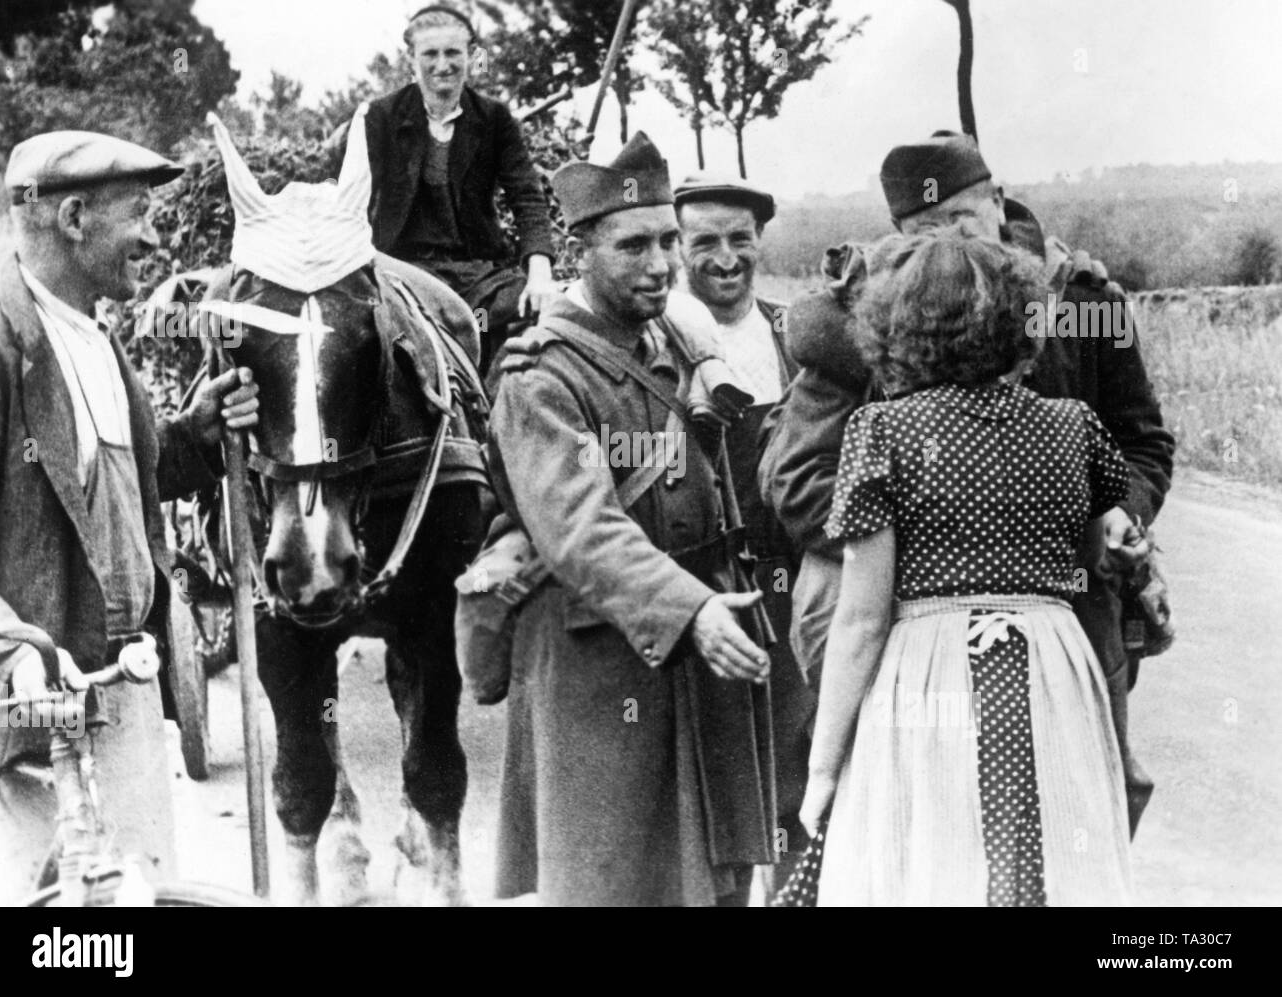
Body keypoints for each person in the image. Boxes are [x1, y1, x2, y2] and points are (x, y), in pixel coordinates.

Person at [760, 131, 1174, 833]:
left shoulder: (1081, 302)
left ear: (999, 204)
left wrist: (1119, 513)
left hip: (1076, 604)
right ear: (897, 236)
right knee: (920, 814)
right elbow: (794, 477)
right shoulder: (860, 319)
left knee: (1090, 794)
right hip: (909, 620)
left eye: (963, 221)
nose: (949, 243)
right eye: (925, 231)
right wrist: (915, 529)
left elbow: (1141, 440)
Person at [800, 232, 1136, 905]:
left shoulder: (882, 430)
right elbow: (1095, 557)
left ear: (897, 330)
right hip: (1051, 664)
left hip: (929, 666)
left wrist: (822, 766)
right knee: (1052, 854)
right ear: (1020, 321)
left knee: (935, 857)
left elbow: (862, 620)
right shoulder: (1074, 425)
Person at [487, 133, 777, 907]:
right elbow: (582, 529)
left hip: (696, 656)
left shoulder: (676, 340)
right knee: (610, 883)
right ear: (582, 248)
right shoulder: (541, 374)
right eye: (633, 245)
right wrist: (693, 609)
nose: (659, 264)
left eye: (667, 242)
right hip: (599, 668)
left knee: (713, 886)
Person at [0, 130, 258, 904]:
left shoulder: (99, 340)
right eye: (139, 213)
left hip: (129, 696)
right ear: (73, 218)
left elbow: (118, 489)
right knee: (64, 940)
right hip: (40, 715)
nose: (154, 235)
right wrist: (8, 651)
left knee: (132, 918)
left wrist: (195, 439)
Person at [674, 173, 814, 898]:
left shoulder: (800, 337)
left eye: (740, 239)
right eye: (704, 242)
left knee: (799, 776)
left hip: (794, 593)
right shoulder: (656, 343)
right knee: (718, 793)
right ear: (677, 249)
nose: (725, 257)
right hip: (703, 595)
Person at [358, 3, 556, 370]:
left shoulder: (494, 119)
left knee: (542, 312)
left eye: (453, 52)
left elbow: (526, 196)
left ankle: (495, 406)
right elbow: (354, 195)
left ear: (471, 56)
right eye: (430, 54)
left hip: (476, 274)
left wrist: (540, 272)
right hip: (402, 268)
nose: (442, 65)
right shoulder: (382, 116)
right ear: (411, 60)